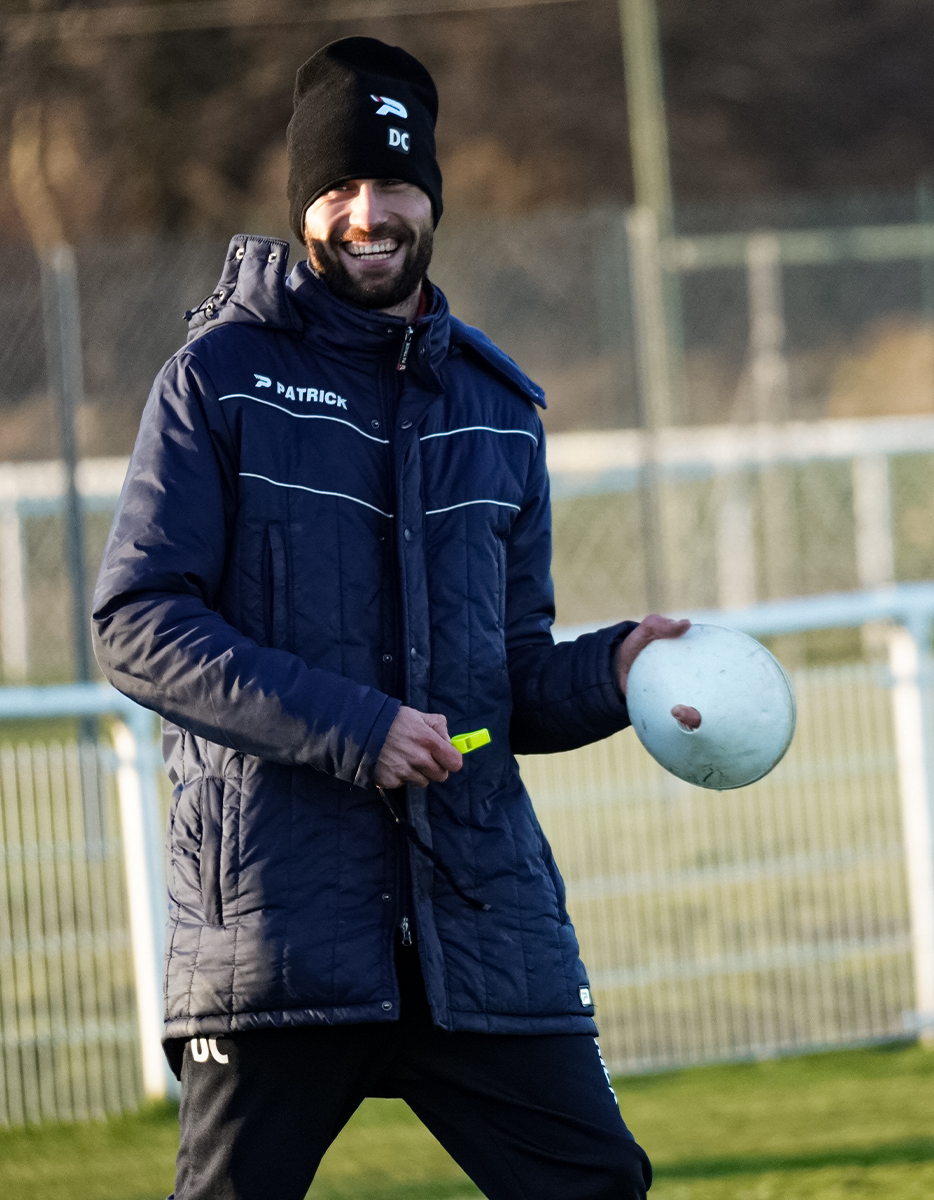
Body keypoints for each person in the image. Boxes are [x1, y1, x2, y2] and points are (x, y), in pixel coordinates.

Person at [92, 35, 690, 1200]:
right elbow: (137, 619)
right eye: (337, 189)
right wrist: (356, 727)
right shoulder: (218, 381)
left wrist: (612, 674)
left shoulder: (497, 409)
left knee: (596, 1184)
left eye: (393, 183)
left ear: (432, 194)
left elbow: (502, 679)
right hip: (277, 922)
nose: (368, 213)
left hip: (473, 917)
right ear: (304, 205)